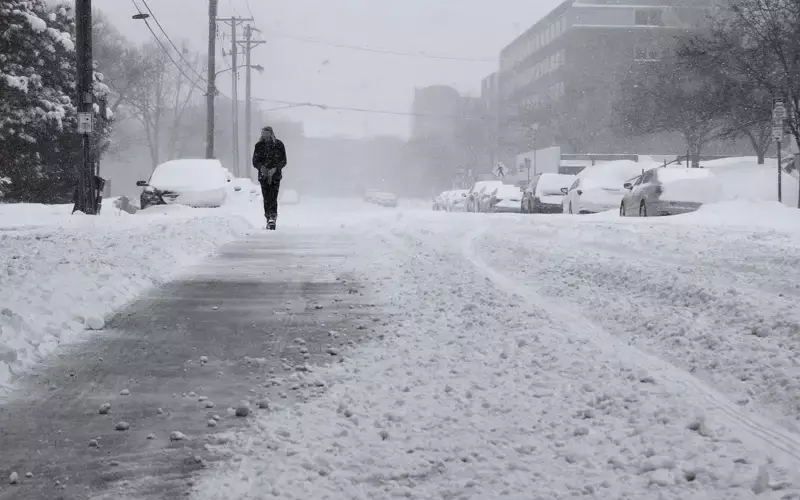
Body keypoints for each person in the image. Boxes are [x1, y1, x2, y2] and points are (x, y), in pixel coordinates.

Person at [252, 126, 287, 229]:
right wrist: (261, 167)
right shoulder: (259, 146)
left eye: (266, 134)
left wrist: (275, 168)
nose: (265, 136)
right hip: (263, 176)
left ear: (271, 134)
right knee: (266, 197)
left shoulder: (279, 145)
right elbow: (255, 161)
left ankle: (273, 217)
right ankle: (268, 217)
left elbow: (283, 160)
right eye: (263, 134)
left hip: (275, 176)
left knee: (273, 197)